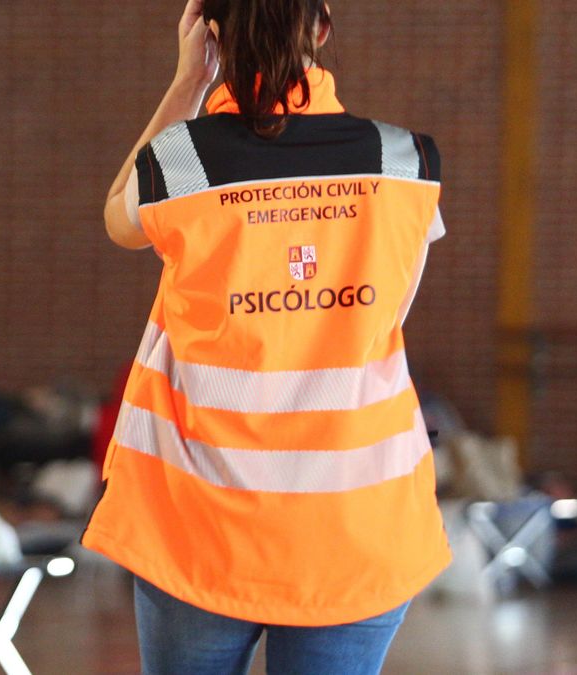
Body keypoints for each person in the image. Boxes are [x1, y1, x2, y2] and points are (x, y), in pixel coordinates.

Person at [80, 1, 451, 673]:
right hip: (355, 525)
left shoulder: (182, 162)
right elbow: (389, 313)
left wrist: (189, 80)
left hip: (201, 525)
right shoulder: (403, 161)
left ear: (211, 30)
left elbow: (118, 219)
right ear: (323, 26)